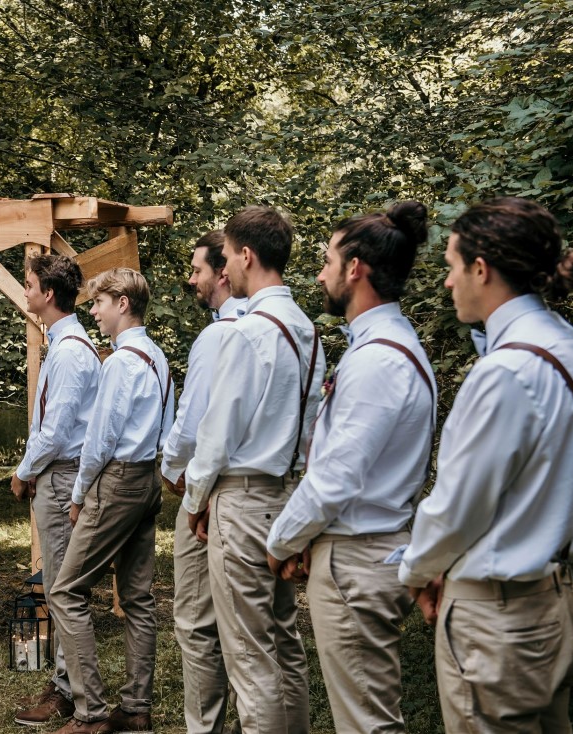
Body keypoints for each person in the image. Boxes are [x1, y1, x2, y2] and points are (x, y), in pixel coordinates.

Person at [399, 197, 573, 732]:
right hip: (556, 602)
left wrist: (418, 571)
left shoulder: (505, 370)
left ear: (481, 269)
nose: (448, 281)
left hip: (498, 619)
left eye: (451, 265)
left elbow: (457, 506)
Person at [265, 202, 435, 733]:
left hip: (357, 562)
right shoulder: (391, 347)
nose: (320, 275)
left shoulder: (378, 359)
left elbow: (336, 477)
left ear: (355, 268)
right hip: (364, 548)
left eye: (327, 261)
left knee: (367, 724)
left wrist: (282, 541)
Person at [182, 206, 323, 734]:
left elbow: (217, 433)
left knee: (249, 652)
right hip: (286, 496)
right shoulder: (307, 329)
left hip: (241, 501)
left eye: (227, 257)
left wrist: (196, 500)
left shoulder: (247, 333)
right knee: (284, 642)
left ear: (246, 256)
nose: (224, 269)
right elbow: (311, 426)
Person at [47, 267, 174, 734]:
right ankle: (136, 709)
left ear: (123, 303)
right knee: (138, 597)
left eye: (99, 302)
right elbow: (169, 426)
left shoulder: (120, 362)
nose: (94, 312)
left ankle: (91, 713)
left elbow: (100, 439)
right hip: (148, 478)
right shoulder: (157, 357)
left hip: (116, 482)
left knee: (65, 591)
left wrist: (79, 494)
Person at [160, 230, 247, 734]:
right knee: (248, 624)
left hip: (209, 492)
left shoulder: (217, 336)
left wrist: (173, 472)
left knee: (196, 621)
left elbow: (192, 425)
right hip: (256, 492)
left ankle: (205, 726)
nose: (191, 279)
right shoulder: (276, 328)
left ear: (223, 272)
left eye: (197, 270)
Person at [11, 255, 102, 727]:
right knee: (58, 581)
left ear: (48, 293)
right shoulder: (63, 344)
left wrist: (23, 472)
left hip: (62, 473)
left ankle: (70, 692)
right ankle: (64, 679)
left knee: (62, 586)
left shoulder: (69, 352)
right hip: (59, 472)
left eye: (29, 284)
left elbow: (56, 430)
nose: (25, 291)